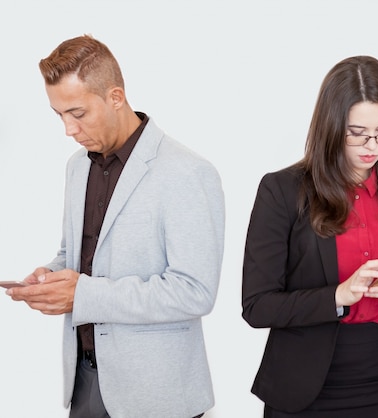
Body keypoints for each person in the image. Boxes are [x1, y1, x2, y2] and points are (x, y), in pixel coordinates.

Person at [5, 34, 225, 418]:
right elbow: (73, 253)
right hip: (86, 383)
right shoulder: (77, 167)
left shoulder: (187, 172)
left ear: (116, 97)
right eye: (59, 115)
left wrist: (83, 295)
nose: (68, 130)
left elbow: (195, 292)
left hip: (158, 395)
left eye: (77, 113)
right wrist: (49, 277)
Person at [241, 55, 378, 418]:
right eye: (357, 133)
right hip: (305, 387)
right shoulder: (281, 190)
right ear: (331, 125)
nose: (372, 145)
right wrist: (338, 295)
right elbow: (257, 306)